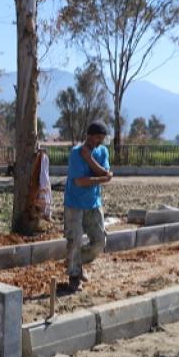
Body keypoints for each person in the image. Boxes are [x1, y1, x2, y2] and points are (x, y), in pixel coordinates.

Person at [64, 121, 113, 292]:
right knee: (75, 240)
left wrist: (89, 159)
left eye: (102, 138)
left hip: (93, 203)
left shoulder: (102, 151)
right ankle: (74, 275)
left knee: (100, 241)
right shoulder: (76, 153)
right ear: (89, 136)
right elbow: (80, 181)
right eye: (98, 138)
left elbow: (105, 173)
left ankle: (75, 262)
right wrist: (103, 178)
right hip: (74, 204)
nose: (100, 141)